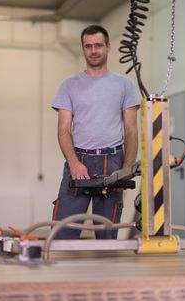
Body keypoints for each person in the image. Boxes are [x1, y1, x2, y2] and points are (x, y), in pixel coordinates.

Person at [52, 25, 141, 239]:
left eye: (98, 45)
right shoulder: (69, 85)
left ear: (108, 47)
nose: (93, 50)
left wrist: (126, 168)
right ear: (83, 49)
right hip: (79, 160)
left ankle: (108, 273)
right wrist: (74, 163)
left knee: (107, 234)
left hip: (112, 162)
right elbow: (63, 130)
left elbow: (131, 130)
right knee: (63, 232)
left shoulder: (124, 85)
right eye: (88, 46)